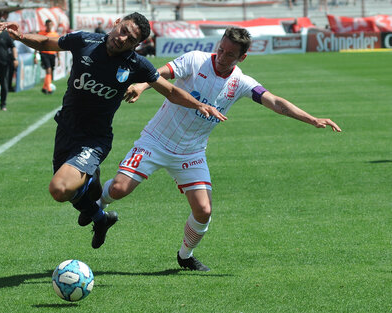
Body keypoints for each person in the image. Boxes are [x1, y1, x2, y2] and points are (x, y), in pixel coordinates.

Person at [94, 27, 342, 271]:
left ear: (242, 57)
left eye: (230, 55)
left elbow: (275, 101)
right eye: (221, 49)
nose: (222, 57)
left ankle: (185, 256)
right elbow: (160, 73)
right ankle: (96, 205)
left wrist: (312, 119)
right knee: (118, 189)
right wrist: (140, 86)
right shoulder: (195, 60)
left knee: (203, 210)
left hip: (191, 153)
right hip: (156, 140)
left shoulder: (241, 82)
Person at [0, 12, 226, 249]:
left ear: (137, 45)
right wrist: (20, 36)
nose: (123, 38)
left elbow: (169, 91)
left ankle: (92, 188)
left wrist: (199, 104)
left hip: (94, 140)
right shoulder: (84, 41)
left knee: (59, 188)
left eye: (131, 39)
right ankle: (100, 217)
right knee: (66, 193)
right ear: (117, 24)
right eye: (123, 30)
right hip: (65, 128)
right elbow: (46, 43)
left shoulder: (136, 64)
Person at [36, 19, 60, 94]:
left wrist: (58, 58)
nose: (49, 26)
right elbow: (37, 44)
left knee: (50, 71)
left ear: (52, 25)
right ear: (45, 25)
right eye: (48, 25)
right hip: (44, 53)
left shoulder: (55, 34)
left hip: (52, 54)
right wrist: (35, 56)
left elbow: (57, 46)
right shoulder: (41, 33)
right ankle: (49, 89)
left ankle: (44, 87)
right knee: (48, 69)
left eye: (50, 25)